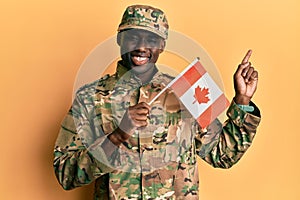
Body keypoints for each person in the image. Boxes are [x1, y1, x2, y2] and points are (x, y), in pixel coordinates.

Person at [53, 4, 261, 200]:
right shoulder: (91, 98)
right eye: (133, 37)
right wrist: (118, 135)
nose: (141, 47)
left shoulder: (188, 91)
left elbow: (223, 155)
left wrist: (242, 100)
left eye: (151, 40)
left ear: (162, 44)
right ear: (120, 39)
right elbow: (65, 173)